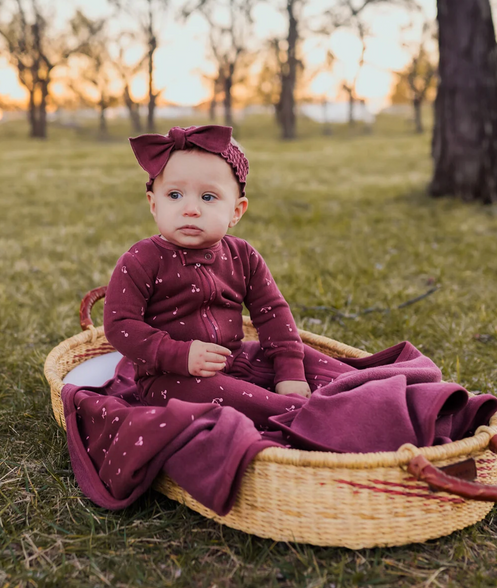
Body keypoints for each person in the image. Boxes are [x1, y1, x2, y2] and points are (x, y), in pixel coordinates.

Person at [103, 125, 355, 428]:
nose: (191, 209)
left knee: (309, 359)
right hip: (171, 377)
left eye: (208, 197)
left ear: (236, 211)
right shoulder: (141, 260)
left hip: (235, 359)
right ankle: (300, 416)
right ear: (154, 205)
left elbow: (273, 313)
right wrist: (178, 355)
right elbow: (120, 326)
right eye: (174, 195)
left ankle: (360, 390)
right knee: (218, 396)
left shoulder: (243, 256)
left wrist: (290, 372)